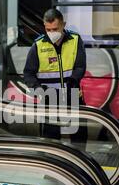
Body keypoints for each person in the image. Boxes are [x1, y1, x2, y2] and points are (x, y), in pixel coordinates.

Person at [23, 8, 87, 145]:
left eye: (55, 29)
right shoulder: (38, 45)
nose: (52, 33)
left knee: (79, 137)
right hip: (49, 99)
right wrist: (38, 89)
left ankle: (80, 164)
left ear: (63, 24)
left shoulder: (75, 40)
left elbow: (80, 66)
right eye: (48, 29)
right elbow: (28, 73)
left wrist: (73, 82)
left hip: (72, 96)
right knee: (50, 140)